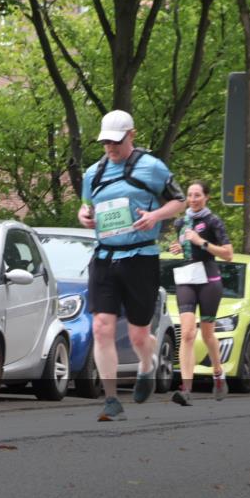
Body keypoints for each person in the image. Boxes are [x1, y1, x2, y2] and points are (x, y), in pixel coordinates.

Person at [77, 110, 186, 421]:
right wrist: (84, 217)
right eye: (105, 142)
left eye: (116, 141)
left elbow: (177, 201)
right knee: (101, 327)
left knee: (139, 335)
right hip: (104, 256)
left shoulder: (151, 167)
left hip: (141, 257)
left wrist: (154, 216)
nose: (111, 148)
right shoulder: (93, 173)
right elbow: (87, 207)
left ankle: (146, 364)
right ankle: (111, 399)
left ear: (131, 135)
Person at [167, 181, 234, 406]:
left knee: (206, 334)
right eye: (190, 195)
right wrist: (178, 247)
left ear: (206, 197)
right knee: (186, 334)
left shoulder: (213, 221)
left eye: (197, 195)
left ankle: (217, 373)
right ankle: (186, 388)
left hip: (209, 281)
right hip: (187, 279)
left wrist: (201, 242)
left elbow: (228, 254)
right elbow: (185, 248)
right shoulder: (180, 222)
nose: (193, 199)